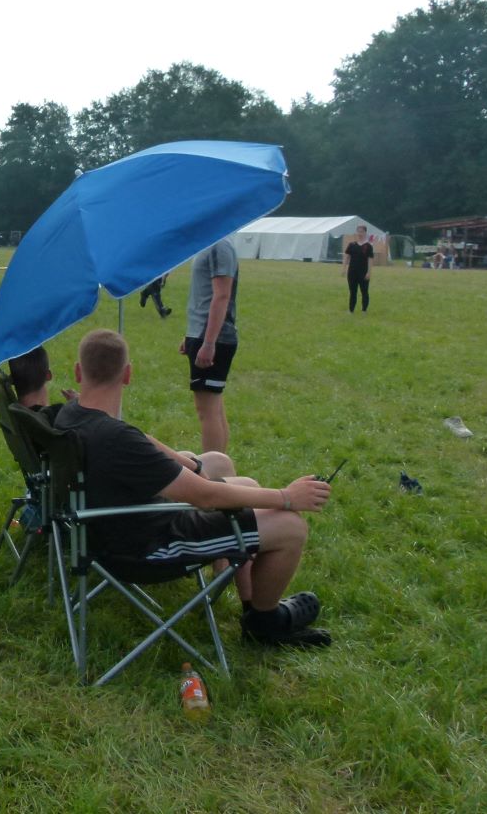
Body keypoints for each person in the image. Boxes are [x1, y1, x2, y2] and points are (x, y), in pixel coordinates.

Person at [58, 330, 331, 648]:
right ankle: (265, 623)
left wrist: (192, 465)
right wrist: (287, 497)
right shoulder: (115, 438)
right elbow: (205, 496)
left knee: (245, 485)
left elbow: (141, 439)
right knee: (290, 526)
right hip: (146, 549)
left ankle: (250, 603)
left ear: (78, 371)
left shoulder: (71, 415)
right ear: (128, 374)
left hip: (108, 532)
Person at [181, 236, 238, 455]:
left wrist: (208, 342)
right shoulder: (208, 243)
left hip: (215, 338)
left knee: (208, 412)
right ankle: (221, 467)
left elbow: (222, 295)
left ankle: (213, 471)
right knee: (214, 409)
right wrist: (191, 336)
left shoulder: (219, 245)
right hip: (202, 335)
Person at [342, 225, 374, 313]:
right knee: (352, 291)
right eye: (358, 231)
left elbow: (370, 260)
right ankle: (351, 310)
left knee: (364, 291)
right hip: (352, 272)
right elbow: (347, 257)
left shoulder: (368, 246)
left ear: (365, 233)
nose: (360, 233)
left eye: (362, 231)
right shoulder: (352, 245)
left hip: (363, 272)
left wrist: (369, 272)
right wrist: (344, 268)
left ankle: (364, 310)